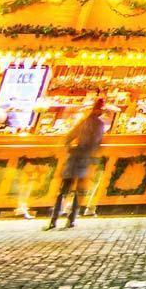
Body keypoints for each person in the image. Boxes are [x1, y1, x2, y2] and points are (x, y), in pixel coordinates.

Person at [44, 97, 107, 230]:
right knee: (78, 190)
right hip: (85, 157)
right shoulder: (100, 124)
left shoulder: (83, 122)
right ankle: (71, 218)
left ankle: (54, 219)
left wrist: (69, 147)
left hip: (75, 155)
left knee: (64, 189)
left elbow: (69, 136)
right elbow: (97, 142)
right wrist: (95, 153)